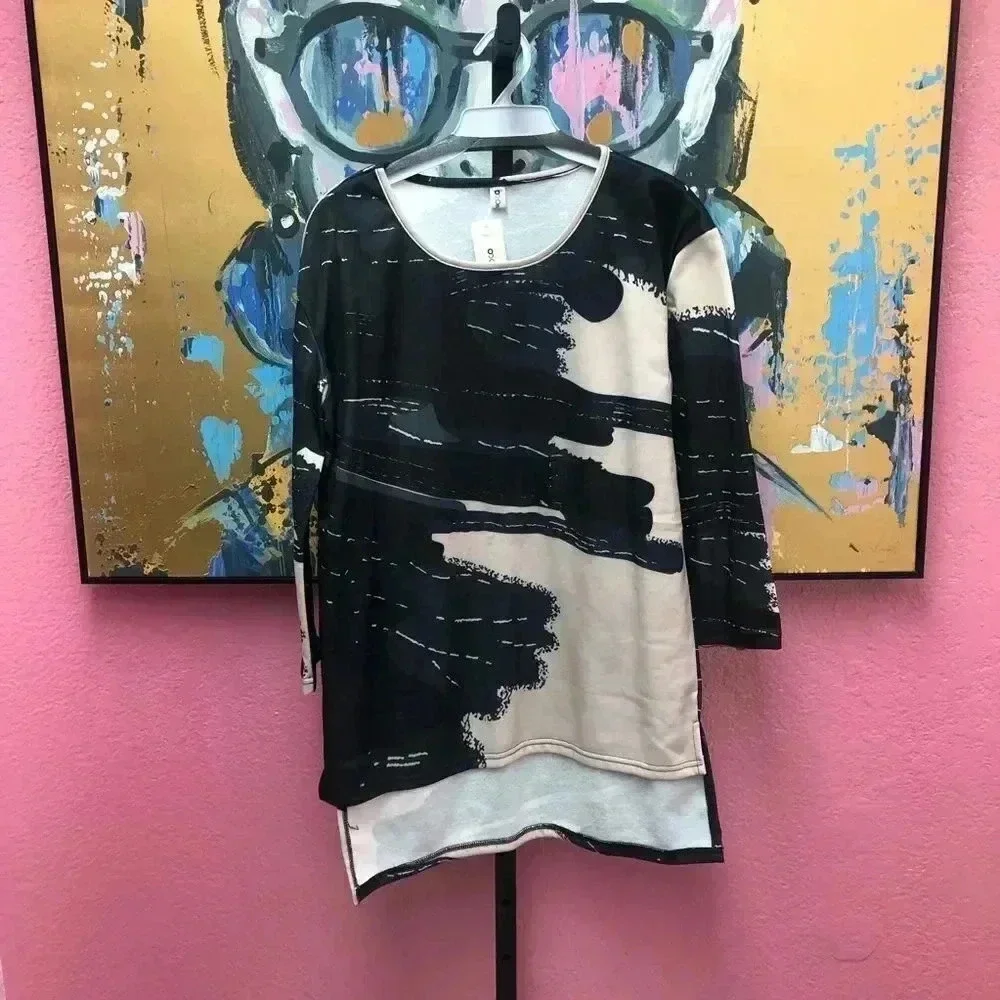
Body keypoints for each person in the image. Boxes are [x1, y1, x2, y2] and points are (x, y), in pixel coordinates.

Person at [184, 0, 793, 576]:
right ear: (274, 79)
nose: (490, 154)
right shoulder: (240, 531)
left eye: (593, 59)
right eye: (380, 65)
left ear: (706, 64)